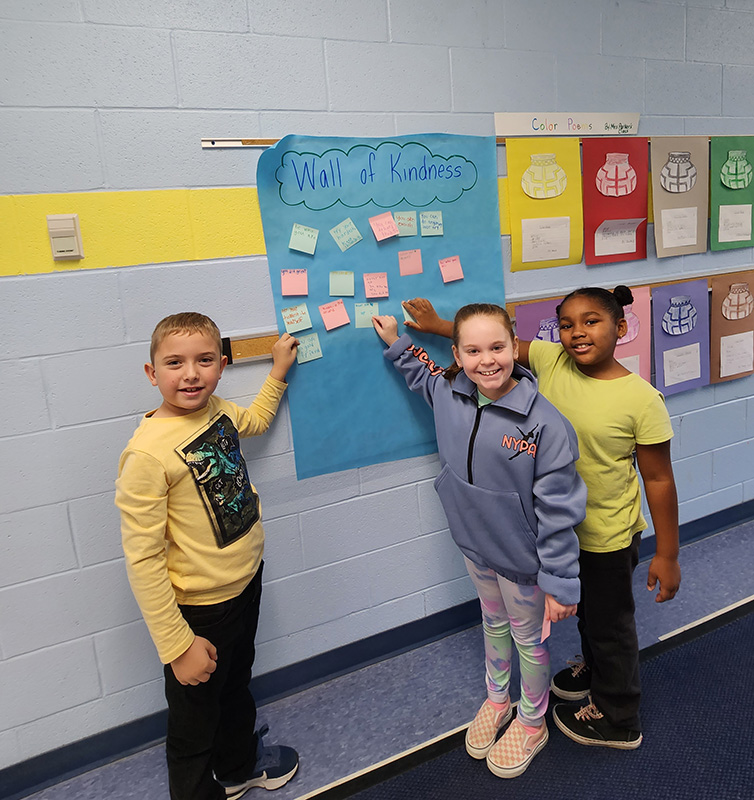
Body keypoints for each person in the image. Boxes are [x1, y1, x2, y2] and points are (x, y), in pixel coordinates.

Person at [402, 287, 681, 750]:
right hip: (554, 538)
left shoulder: (641, 398)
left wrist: (668, 553)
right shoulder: (552, 359)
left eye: (592, 322)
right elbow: (487, 340)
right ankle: (591, 670)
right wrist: (435, 325)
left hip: (605, 535)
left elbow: (658, 479)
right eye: (567, 324)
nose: (577, 333)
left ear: (622, 328)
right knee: (585, 616)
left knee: (611, 625)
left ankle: (617, 714)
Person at [372, 304, 586, 778]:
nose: (486, 360)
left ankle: (532, 721)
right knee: (492, 624)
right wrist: (396, 343)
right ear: (457, 353)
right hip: (474, 547)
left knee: (528, 640)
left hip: (524, 561)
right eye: (472, 350)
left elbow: (560, 512)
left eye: (497, 347)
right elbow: (422, 375)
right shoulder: (449, 391)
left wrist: (561, 581)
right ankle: (498, 699)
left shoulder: (545, 426)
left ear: (515, 346)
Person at [115, 312, 300, 800]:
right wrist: (177, 646)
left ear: (220, 365)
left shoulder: (217, 411)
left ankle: (238, 769)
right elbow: (143, 560)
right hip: (200, 610)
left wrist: (278, 372)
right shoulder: (147, 455)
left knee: (237, 686)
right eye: (174, 363)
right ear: (152, 374)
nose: (190, 374)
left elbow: (255, 420)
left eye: (203, 361)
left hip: (245, 582)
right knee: (193, 730)